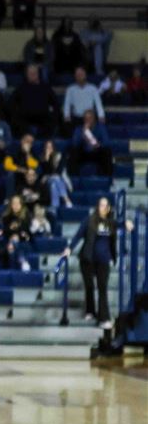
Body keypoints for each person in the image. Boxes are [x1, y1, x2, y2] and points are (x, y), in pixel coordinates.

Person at [64, 197, 129, 328]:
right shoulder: (89, 220)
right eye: (101, 205)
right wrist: (69, 249)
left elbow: (122, 224)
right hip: (88, 259)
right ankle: (90, 310)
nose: (103, 208)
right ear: (97, 207)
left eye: (106, 206)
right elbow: (78, 235)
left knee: (102, 287)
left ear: (109, 208)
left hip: (104, 260)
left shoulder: (111, 222)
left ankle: (103, 318)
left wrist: (128, 223)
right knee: (89, 286)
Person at [69, 110, 113, 178]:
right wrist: (83, 134)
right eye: (85, 118)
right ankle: (73, 180)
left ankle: (108, 180)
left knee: (107, 152)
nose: (87, 120)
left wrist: (91, 138)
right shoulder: (79, 129)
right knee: (73, 152)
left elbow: (106, 143)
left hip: (97, 153)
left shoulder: (101, 127)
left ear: (94, 119)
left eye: (90, 118)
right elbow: (74, 144)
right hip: (84, 154)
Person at [62, 67, 105, 131]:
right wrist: (66, 116)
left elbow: (98, 103)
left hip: (90, 119)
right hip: (77, 118)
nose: (79, 76)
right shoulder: (70, 89)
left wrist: (101, 115)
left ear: (85, 75)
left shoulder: (93, 88)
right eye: (77, 75)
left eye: (81, 74)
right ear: (75, 76)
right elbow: (67, 104)